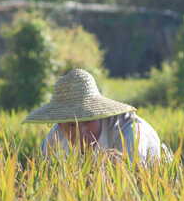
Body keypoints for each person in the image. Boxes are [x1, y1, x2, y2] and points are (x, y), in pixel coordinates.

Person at [23, 68, 171, 163]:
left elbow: (134, 185)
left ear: (100, 115)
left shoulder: (130, 133)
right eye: (71, 125)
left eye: (87, 121)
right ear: (60, 124)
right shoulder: (54, 140)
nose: (80, 131)